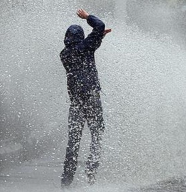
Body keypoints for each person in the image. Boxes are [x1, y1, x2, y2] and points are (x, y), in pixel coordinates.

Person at [60, 9, 111, 187]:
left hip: (76, 103)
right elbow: (100, 26)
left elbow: (88, 48)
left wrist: (98, 38)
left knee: (73, 142)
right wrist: (87, 17)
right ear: (81, 37)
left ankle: (66, 183)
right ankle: (91, 173)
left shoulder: (64, 54)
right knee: (97, 135)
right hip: (91, 98)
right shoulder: (84, 47)